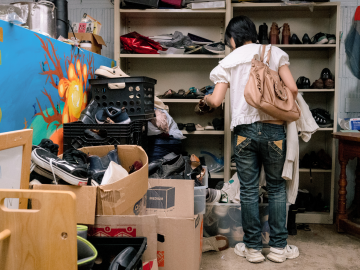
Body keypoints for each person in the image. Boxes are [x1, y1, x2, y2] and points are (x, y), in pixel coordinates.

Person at [202, 16, 300, 263]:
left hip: (244, 133)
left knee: (248, 190)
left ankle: (253, 248)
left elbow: (215, 101)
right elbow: (294, 89)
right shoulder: (274, 52)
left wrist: (204, 101)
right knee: (277, 187)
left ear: (232, 39)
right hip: (274, 131)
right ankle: (279, 248)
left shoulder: (228, 61)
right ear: (253, 34)